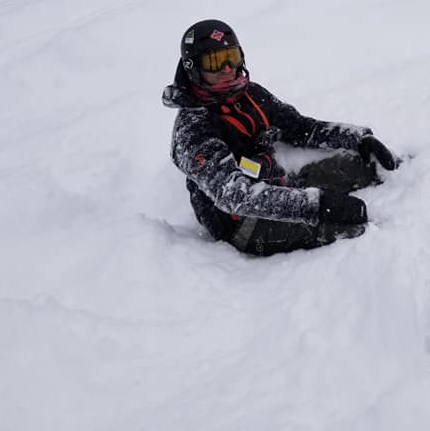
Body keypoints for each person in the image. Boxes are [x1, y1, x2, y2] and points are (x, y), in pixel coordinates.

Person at [162, 19, 399, 256]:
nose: (226, 68)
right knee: (355, 231)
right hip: (243, 223)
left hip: (276, 180)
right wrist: (316, 205)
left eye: (231, 57)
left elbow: (300, 127)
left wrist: (357, 138)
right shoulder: (192, 130)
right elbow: (234, 195)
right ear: (193, 68)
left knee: (367, 166)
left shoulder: (250, 94)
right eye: (214, 62)